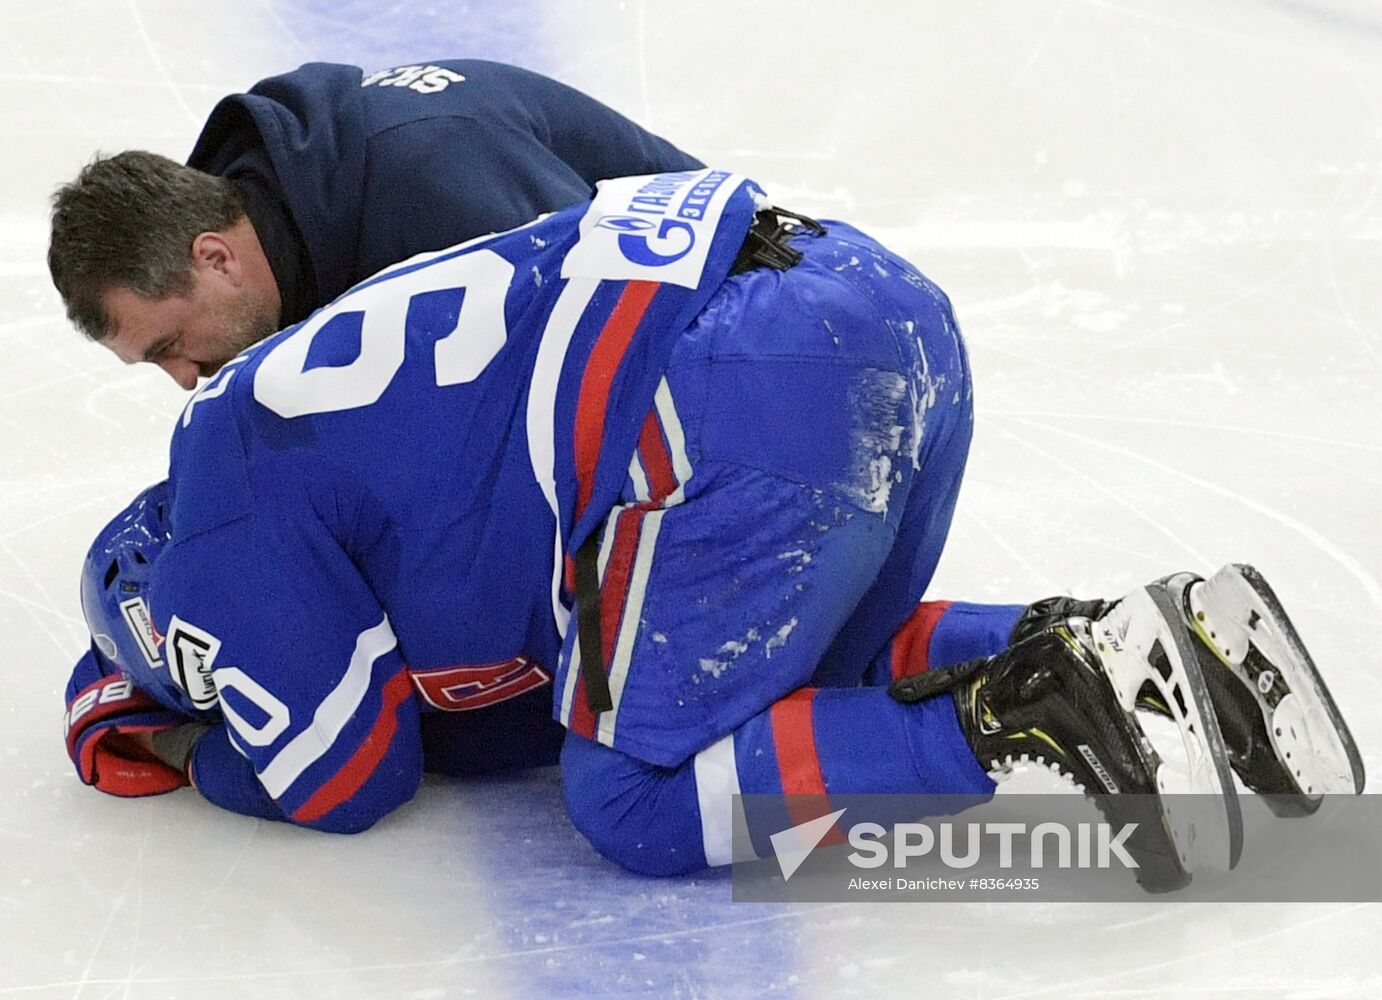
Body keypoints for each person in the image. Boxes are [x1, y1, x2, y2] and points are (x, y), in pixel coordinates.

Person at [61, 168, 1364, 893]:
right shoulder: (339, 382)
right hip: (865, 291)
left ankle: (1033, 711)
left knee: (633, 799)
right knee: (793, 678)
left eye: (167, 347)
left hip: (715, 393)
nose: (180, 379)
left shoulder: (214, 487)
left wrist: (191, 750)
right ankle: (1151, 652)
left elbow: (343, 779)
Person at [46, 59, 703, 388]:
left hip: (740, 339)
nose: (185, 378)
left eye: (168, 347)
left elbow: (617, 356)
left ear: (216, 258)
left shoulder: (433, 186)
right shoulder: (300, 218)